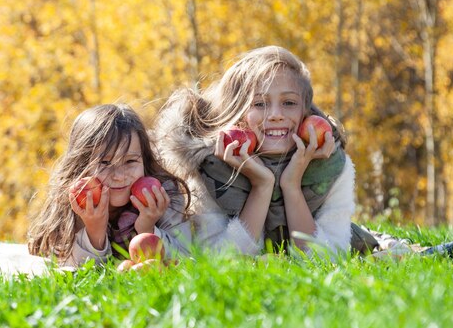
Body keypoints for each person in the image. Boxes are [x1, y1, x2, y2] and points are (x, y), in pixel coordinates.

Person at [153, 45, 359, 256]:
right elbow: (222, 260)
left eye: (289, 102)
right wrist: (262, 185)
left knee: (360, 239)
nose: (276, 115)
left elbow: (329, 258)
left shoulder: (330, 166)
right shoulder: (209, 169)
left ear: (305, 112)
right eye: (259, 104)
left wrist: (291, 186)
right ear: (236, 113)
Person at [27, 104, 192, 266]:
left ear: (144, 159)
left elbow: (185, 259)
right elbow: (70, 271)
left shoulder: (162, 195)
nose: (119, 176)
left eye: (130, 161)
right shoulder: (75, 202)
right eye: (105, 163)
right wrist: (94, 231)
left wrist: (147, 228)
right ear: (81, 165)